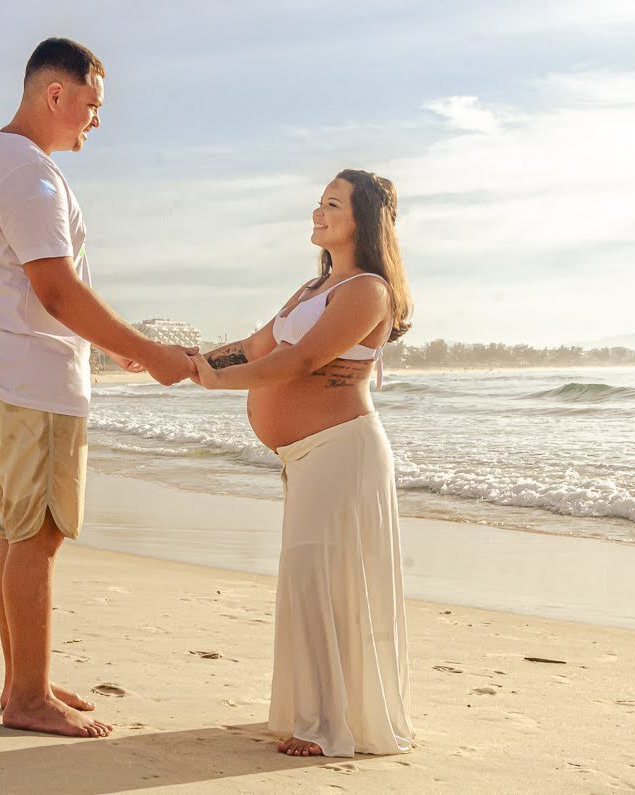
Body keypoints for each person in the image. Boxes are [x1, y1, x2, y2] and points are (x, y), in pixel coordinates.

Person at [0, 37, 196, 738]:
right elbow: (57, 291)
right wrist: (148, 351)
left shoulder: (8, 162)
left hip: (9, 371)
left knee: (18, 528)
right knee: (37, 533)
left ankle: (20, 678)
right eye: (92, 105)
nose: (97, 120)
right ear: (55, 95)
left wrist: (113, 345)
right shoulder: (28, 176)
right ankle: (27, 696)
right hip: (31, 379)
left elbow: (55, 292)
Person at [191, 169, 414, 758]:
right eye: (318, 202)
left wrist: (218, 382)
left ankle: (324, 725)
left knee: (318, 577)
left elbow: (300, 361)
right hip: (306, 457)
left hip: (343, 451)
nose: (317, 212)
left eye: (332, 203)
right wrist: (186, 360)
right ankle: (312, 714)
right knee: (308, 578)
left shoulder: (368, 290)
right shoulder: (308, 291)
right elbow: (259, 345)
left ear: (362, 219)